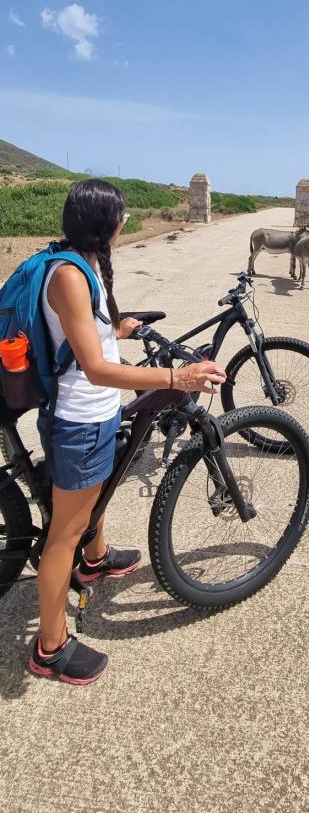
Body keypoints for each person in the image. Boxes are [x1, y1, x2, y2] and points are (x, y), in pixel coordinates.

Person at [28, 178, 225, 686]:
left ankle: (94, 561)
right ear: (102, 223)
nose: (127, 221)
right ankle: (50, 648)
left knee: (96, 499)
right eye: (122, 214)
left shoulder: (83, 265)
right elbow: (94, 368)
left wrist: (120, 328)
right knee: (62, 535)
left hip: (96, 415)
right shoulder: (69, 276)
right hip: (80, 419)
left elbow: (82, 336)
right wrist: (175, 378)